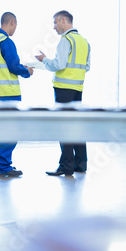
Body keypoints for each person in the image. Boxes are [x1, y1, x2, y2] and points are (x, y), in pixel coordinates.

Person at [35, 10, 91, 176]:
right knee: (77, 125)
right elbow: (86, 67)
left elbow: (59, 64)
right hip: (78, 89)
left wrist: (44, 59)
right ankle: (80, 164)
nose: (54, 27)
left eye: (55, 22)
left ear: (64, 20)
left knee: (64, 127)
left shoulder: (66, 40)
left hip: (63, 90)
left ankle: (66, 166)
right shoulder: (84, 41)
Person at [0, 12, 34, 178]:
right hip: (8, 93)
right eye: (16, 25)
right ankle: (3, 166)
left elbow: (4, 65)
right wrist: (27, 71)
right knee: (10, 130)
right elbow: (14, 67)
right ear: (12, 23)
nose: (15, 29)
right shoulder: (6, 42)